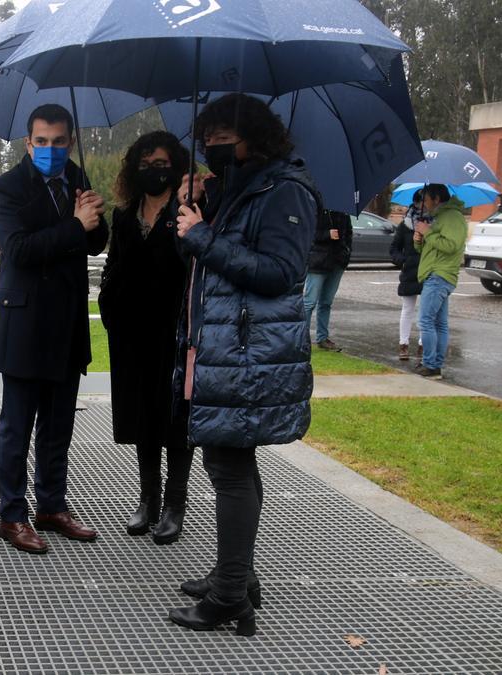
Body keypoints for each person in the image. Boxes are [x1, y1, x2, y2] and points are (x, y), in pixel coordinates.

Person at [169, 93, 318, 637]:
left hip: (250, 356)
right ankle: (238, 577)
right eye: (205, 137)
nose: (211, 146)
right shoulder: (234, 190)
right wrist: (190, 220)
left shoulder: (285, 191)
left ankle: (230, 595)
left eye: (223, 137)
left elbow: (279, 272)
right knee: (229, 465)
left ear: (254, 136)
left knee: (230, 469)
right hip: (223, 349)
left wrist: (205, 236)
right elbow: (205, 261)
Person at [0, 104, 110, 554]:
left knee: (59, 426)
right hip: (23, 324)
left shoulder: (78, 178)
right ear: (28, 142)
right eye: (42, 141)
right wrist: (75, 224)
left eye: (59, 142)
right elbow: (19, 250)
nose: (51, 150)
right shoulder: (7, 188)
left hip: (67, 324)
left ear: (71, 141)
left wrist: (93, 214)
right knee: (17, 427)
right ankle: (12, 515)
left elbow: (96, 241)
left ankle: (52, 506)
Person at [98, 131, 194, 545]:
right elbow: (114, 263)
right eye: (144, 164)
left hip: (175, 329)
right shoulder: (124, 214)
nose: (153, 171)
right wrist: (107, 304)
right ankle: (148, 499)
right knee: (142, 414)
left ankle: (175, 504)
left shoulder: (191, 210)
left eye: (161, 163)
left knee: (175, 416)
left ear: (176, 165)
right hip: (130, 329)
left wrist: (195, 209)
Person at [413, 184, 469, 380]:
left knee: (426, 321)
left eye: (427, 199)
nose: (425, 203)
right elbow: (429, 249)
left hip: (439, 276)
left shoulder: (452, 217)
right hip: (435, 274)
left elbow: (451, 246)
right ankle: (434, 364)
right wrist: (419, 239)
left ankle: (431, 364)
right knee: (439, 323)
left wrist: (427, 232)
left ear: (436, 199)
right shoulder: (440, 218)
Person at [303, 209, 354, 351]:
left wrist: (346, 252)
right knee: (310, 302)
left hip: (337, 261)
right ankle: (302, 337)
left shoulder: (343, 211)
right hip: (318, 262)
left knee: (326, 302)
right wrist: (326, 234)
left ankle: (322, 337)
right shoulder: (316, 209)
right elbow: (308, 232)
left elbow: (348, 233)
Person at [391, 191, 425, 362]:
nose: (422, 205)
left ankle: (422, 344)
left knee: (425, 311)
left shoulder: (433, 223)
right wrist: (402, 261)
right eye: (420, 202)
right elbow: (394, 249)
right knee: (407, 309)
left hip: (427, 270)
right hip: (409, 270)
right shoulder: (404, 225)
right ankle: (403, 344)